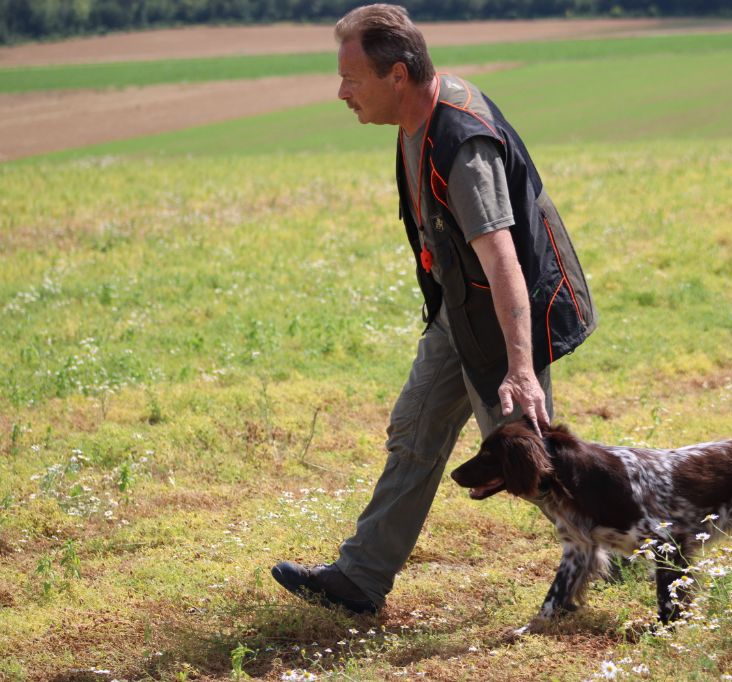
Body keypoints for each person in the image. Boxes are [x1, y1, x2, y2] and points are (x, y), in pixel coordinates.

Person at [271, 3, 596, 615]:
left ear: (397, 76)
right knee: (415, 428)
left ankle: (628, 540)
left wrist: (520, 370)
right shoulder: (416, 116)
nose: (341, 93)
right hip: (461, 308)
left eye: (351, 79)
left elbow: (503, 261)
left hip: (505, 318)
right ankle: (360, 580)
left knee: (530, 462)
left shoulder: (461, 144)